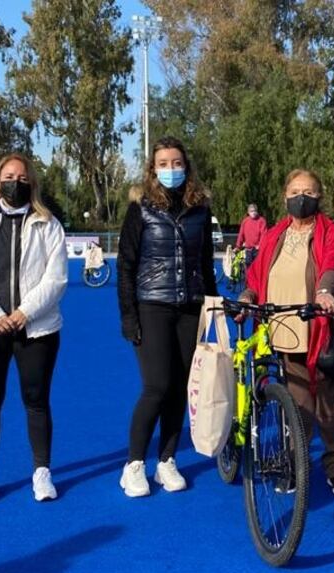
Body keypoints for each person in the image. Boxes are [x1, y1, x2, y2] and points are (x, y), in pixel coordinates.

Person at [0, 153, 68, 505]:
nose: (14, 182)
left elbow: (57, 277)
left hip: (36, 329)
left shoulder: (48, 224)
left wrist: (24, 313)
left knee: (36, 402)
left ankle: (41, 472)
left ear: (31, 183)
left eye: (21, 177)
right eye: (8, 176)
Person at [240, 169, 334, 496]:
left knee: (333, 405)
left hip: (323, 330)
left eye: (308, 191)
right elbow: (256, 274)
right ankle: (294, 466)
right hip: (285, 330)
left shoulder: (333, 231)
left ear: (319, 196)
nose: (300, 197)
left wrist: (325, 292)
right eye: (294, 191)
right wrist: (248, 296)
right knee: (297, 404)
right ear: (285, 197)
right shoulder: (275, 233)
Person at [117, 136, 218, 498]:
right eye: (163, 163)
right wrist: (129, 317)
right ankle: (133, 465)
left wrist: (214, 307)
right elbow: (126, 266)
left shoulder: (200, 210)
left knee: (179, 388)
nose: (171, 169)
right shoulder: (140, 209)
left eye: (177, 163)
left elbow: (205, 264)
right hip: (152, 305)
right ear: (152, 168)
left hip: (190, 307)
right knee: (156, 386)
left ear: (186, 167)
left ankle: (167, 460)